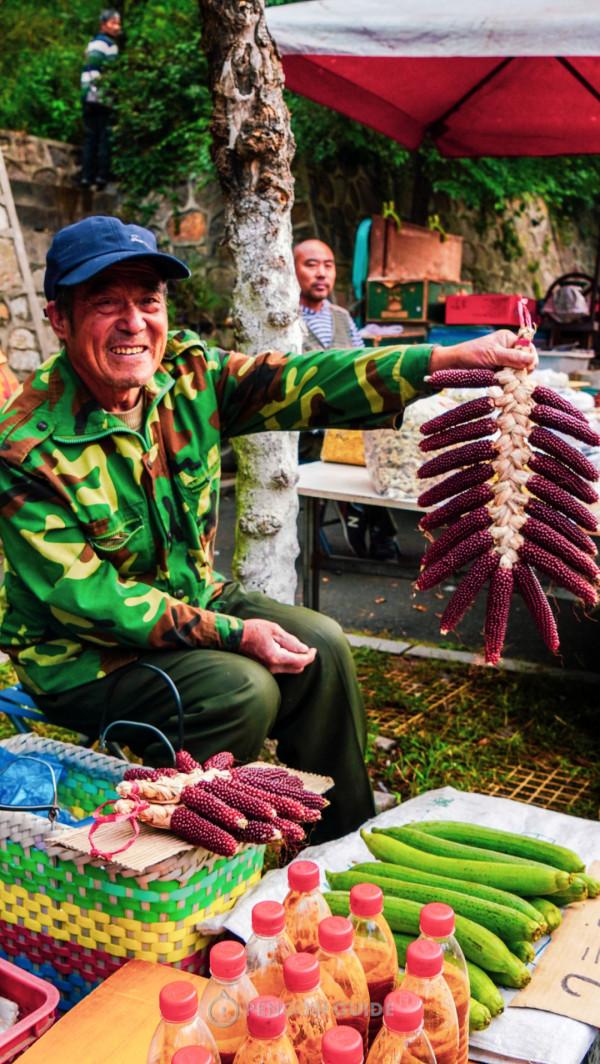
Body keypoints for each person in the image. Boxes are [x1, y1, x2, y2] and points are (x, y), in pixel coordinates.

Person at [0, 216, 536, 844]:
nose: (134, 322)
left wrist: (442, 360)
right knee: (242, 690)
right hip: (84, 657)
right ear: (59, 318)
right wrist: (236, 633)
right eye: (105, 303)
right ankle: (197, 858)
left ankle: (342, 843)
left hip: (190, 598)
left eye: (148, 301)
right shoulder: (24, 447)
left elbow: (304, 381)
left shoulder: (188, 375)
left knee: (324, 645)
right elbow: (91, 600)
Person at [294, 238, 399, 561]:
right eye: (311, 265)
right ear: (291, 269)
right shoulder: (283, 320)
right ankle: (368, 524)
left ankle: (365, 520)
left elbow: (362, 370)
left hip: (343, 426)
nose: (321, 273)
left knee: (380, 447)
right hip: (303, 431)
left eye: (328, 265)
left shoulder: (341, 317)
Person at [80, 9, 121, 190]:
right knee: (103, 135)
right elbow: (109, 73)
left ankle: (86, 177)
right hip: (101, 97)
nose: (117, 27)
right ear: (103, 25)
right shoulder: (108, 45)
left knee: (91, 136)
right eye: (113, 23)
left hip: (87, 95)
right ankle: (101, 177)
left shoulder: (92, 44)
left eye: (118, 23)